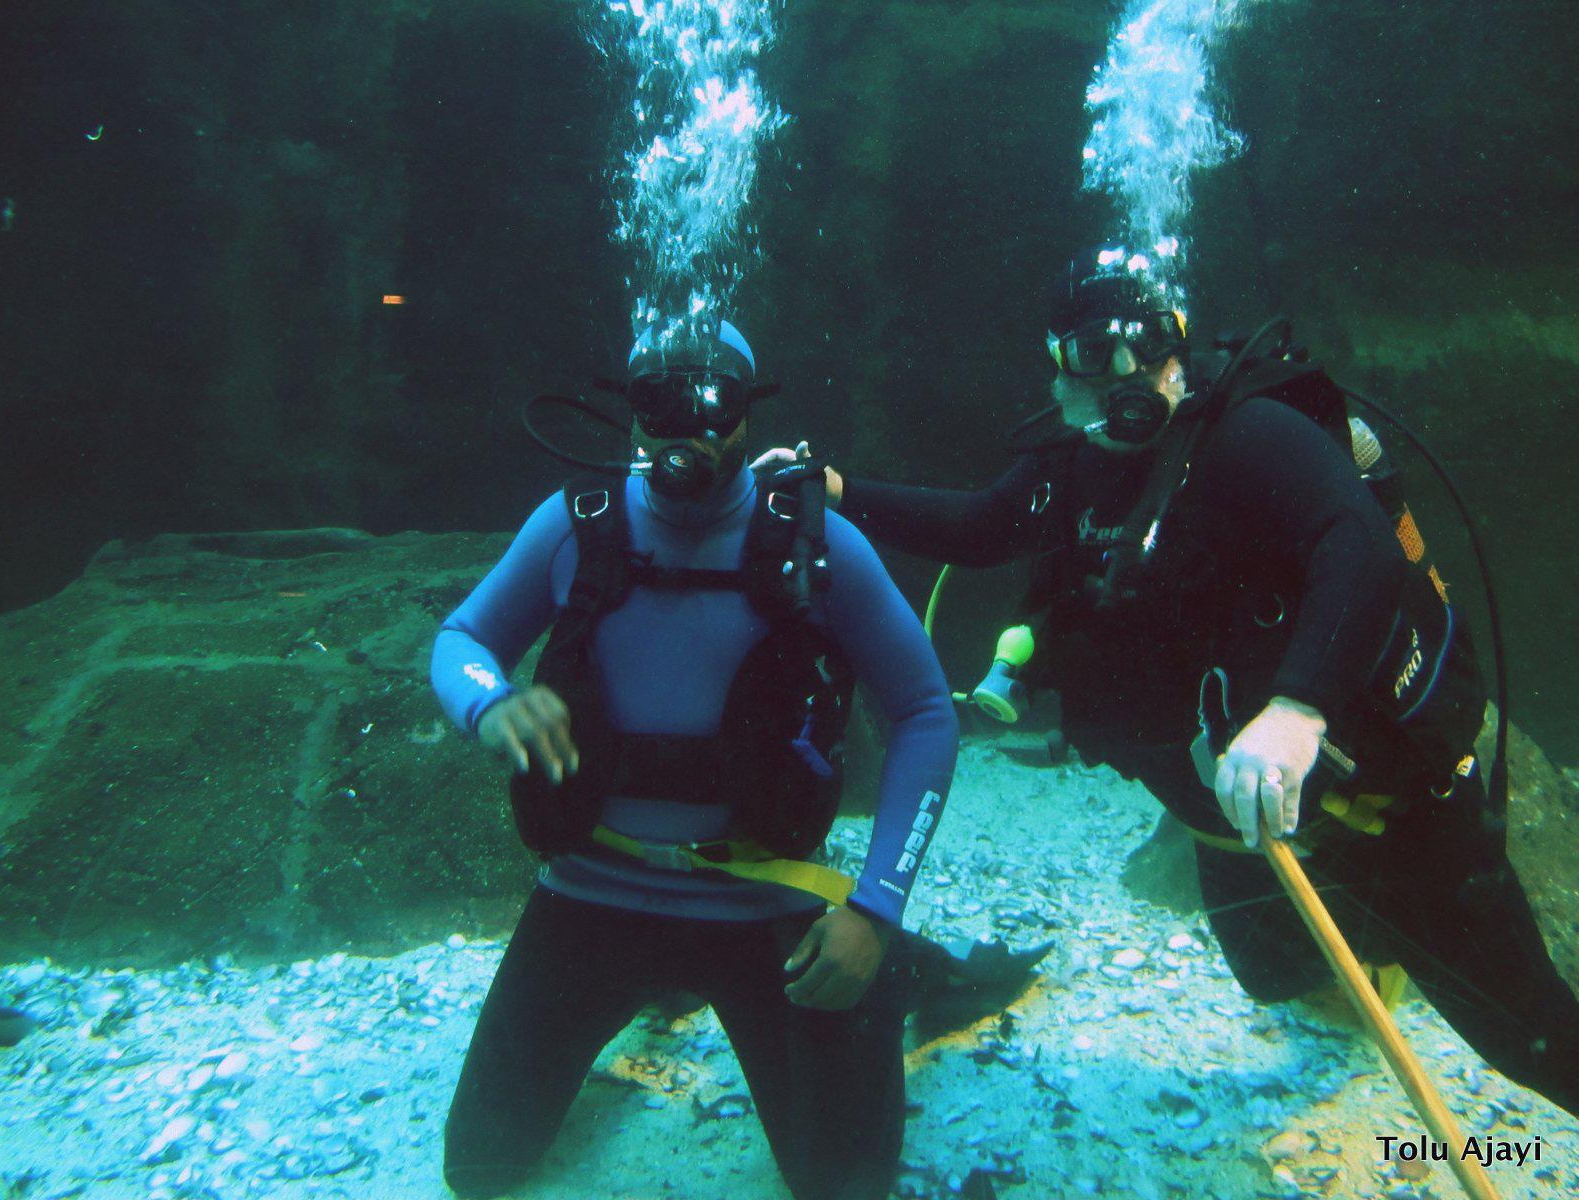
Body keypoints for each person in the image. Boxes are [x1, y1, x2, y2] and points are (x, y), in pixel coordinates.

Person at [757, 245, 1579, 1117]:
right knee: (1271, 976)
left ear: (1177, 342)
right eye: (1091, 352)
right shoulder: (1071, 468)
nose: (1124, 372)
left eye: (1144, 342)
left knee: (1529, 1038)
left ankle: (1405, 936)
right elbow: (980, 526)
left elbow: (1361, 547)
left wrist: (1298, 711)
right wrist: (841, 489)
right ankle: (1369, 944)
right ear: (1058, 364)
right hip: (1235, 823)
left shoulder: (1249, 437)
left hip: (1385, 805)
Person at [431, 318, 959, 1200]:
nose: (686, 429)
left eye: (710, 401)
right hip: (591, 892)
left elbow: (926, 712)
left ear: (747, 415)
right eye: (658, 402)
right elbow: (464, 637)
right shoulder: (574, 525)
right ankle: (654, 995)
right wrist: (489, 704)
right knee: (478, 1167)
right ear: (630, 415)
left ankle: (902, 973)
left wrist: (876, 909)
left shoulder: (818, 544)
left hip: (768, 904)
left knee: (846, 1186)